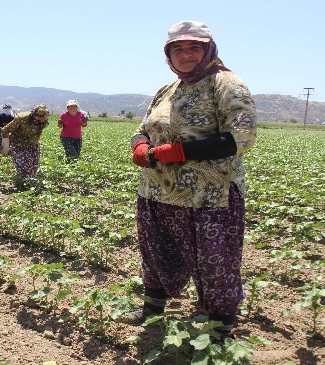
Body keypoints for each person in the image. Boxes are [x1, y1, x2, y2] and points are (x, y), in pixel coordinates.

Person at [118, 20, 257, 343]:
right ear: (168, 55)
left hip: (209, 195)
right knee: (156, 252)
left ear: (208, 49)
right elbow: (143, 128)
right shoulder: (167, 89)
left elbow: (241, 138)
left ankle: (219, 329)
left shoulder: (226, 84)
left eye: (194, 47)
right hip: (157, 190)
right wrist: (140, 145)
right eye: (177, 48)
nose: (185, 54)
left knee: (214, 263)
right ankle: (152, 310)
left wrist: (177, 151)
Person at [1, 104, 50, 181]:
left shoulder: (43, 121)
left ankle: (30, 181)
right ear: (34, 114)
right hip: (18, 143)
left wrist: (35, 143)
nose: (42, 119)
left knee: (34, 164)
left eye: (44, 117)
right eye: (40, 117)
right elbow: (5, 130)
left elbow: (38, 132)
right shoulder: (22, 118)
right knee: (23, 164)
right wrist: (5, 148)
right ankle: (23, 182)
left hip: (33, 143)